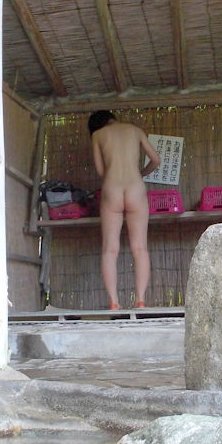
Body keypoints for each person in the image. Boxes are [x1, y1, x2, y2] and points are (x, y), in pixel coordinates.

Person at [88, 110, 161, 310]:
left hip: (112, 189)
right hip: (135, 187)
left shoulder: (97, 135)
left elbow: (101, 171)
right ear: (112, 118)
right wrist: (140, 173)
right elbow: (156, 159)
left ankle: (113, 302)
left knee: (110, 249)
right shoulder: (135, 130)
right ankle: (141, 301)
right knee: (140, 248)